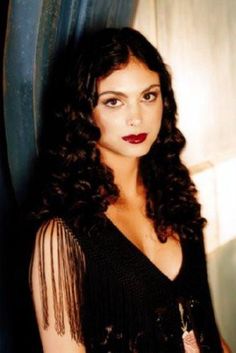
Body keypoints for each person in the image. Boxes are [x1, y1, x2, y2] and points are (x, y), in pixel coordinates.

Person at [29, 27, 231, 353]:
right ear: (83, 111)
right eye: (113, 102)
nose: (136, 118)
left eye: (148, 96)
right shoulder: (60, 237)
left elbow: (211, 334)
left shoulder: (176, 201)